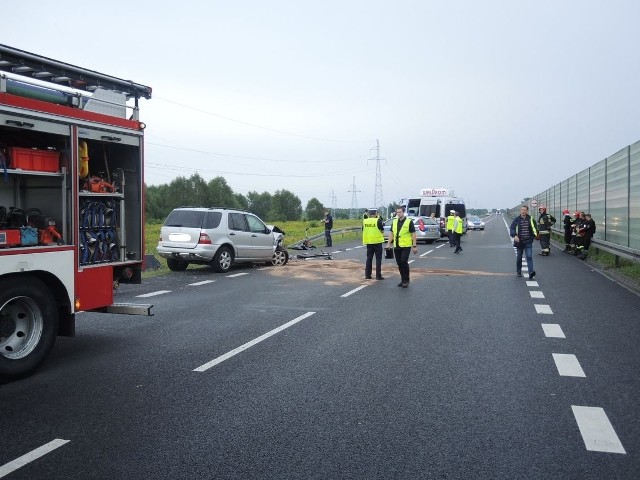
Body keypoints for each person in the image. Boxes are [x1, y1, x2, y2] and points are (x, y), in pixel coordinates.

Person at [385, 207, 417, 288]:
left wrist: (414, 246)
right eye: (397, 212)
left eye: (400, 212)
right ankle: (402, 279)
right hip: (397, 245)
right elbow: (391, 233)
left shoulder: (409, 222)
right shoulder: (394, 221)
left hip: (406, 246)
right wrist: (388, 244)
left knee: (403, 261)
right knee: (399, 263)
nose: (398, 214)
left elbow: (413, 234)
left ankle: (406, 280)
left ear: (403, 212)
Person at [510, 205, 538, 279]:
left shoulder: (531, 219)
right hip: (519, 242)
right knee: (519, 257)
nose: (523, 211)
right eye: (522, 210)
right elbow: (512, 228)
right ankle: (518, 271)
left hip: (528, 241)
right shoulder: (517, 219)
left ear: (527, 211)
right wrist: (514, 235)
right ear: (520, 211)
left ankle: (531, 272)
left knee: (529, 256)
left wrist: (532, 237)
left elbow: (535, 229)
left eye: (525, 210)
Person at [362, 208, 385, 280]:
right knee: (378, 259)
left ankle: (367, 275)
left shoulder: (365, 221)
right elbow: (382, 229)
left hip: (369, 242)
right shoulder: (378, 220)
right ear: (375, 214)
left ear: (369, 214)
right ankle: (378, 276)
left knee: (369, 259)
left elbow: (363, 229)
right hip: (377, 242)